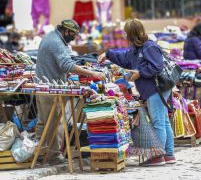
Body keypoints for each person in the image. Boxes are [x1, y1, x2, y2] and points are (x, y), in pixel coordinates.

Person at [98, 18, 175, 166]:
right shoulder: (137, 49)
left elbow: (156, 67)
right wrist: (107, 54)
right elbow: (124, 58)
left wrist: (140, 72)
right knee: (163, 121)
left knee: (159, 122)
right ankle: (169, 155)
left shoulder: (148, 47)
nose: (125, 36)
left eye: (126, 33)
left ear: (132, 33)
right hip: (155, 89)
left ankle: (157, 156)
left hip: (156, 89)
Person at [35, 19, 105, 164]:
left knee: (44, 122)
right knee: (55, 122)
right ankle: (53, 156)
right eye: (73, 34)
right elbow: (66, 65)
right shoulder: (56, 42)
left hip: (43, 85)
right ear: (66, 31)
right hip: (49, 88)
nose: (74, 37)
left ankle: (40, 154)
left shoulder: (51, 37)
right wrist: (92, 73)